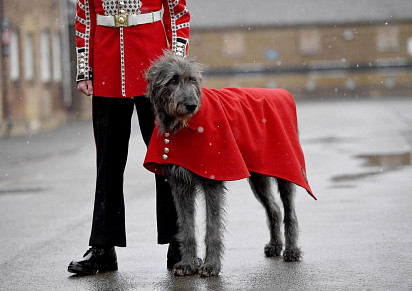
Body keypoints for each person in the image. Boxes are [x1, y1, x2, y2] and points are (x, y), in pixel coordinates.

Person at [67, 0, 190, 275]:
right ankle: (102, 248)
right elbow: (85, 17)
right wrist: (85, 70)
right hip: (108, 69)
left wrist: (178, 70)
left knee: (167, 159)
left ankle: (181, 243)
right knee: (107, 165)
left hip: (156, 72)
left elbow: (177, 14)